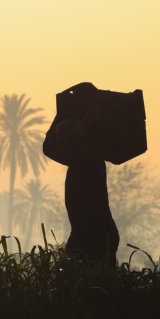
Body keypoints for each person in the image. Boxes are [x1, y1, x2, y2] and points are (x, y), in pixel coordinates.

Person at [43, 109, 120, 268]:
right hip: (86, 234)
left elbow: (72, 140)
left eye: (64, 138)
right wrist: (62, 112)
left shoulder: (90, 159)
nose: (61, 143)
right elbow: (48, 147)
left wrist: (87, 119)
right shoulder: (76, 158)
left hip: (96, 235)